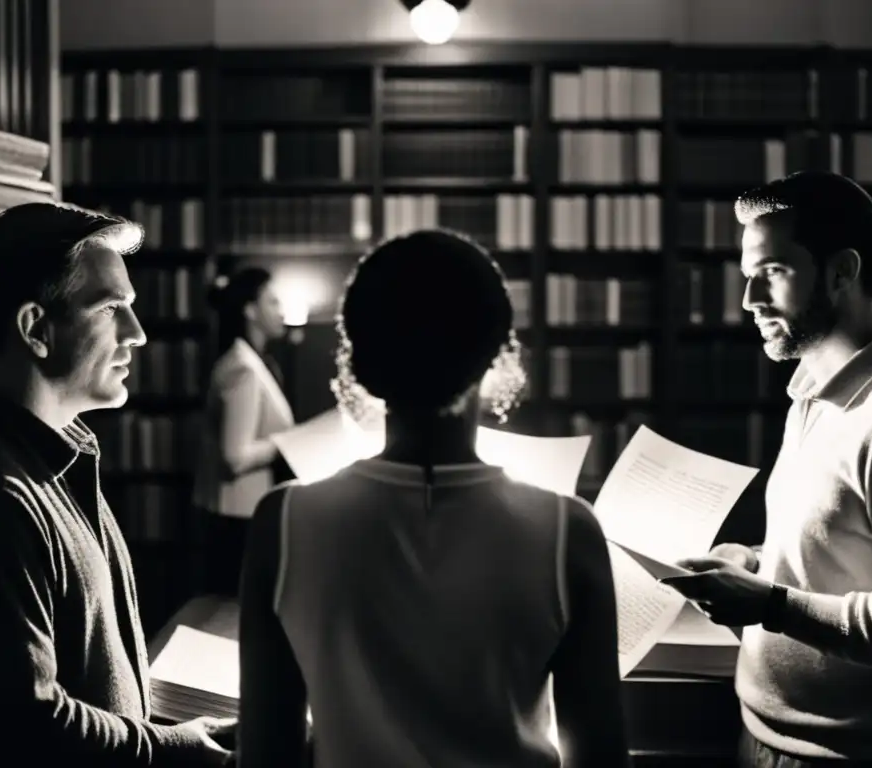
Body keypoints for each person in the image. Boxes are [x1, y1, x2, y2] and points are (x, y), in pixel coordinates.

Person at [236, 229, 630, 768]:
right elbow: (601, 757)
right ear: (497, 352)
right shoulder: (568, 529)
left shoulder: (282, 522)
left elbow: (265, 756)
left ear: (360, 361)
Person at [660, 172, 872, 767]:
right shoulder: (811, 394)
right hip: (762, 736)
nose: (749, 300)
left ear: (842, 272)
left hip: (852, 757)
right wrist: (752, 561)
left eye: (772, 272)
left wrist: (768, 603)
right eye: (748, 276)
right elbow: (836, 551)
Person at [0, 202, 235, 767]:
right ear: (35, 329)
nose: (139, 334)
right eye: (112, 309)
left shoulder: (60, 457)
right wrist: (173, 749)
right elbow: (19, 722)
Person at [192, 267, 295, 596]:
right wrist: (290, 442)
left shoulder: (250, 362)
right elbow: (234, 457)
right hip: (235, 519)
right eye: (274, 302)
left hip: (239, 515)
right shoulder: (243, 368)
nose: (282, 312)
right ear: (250, 310)